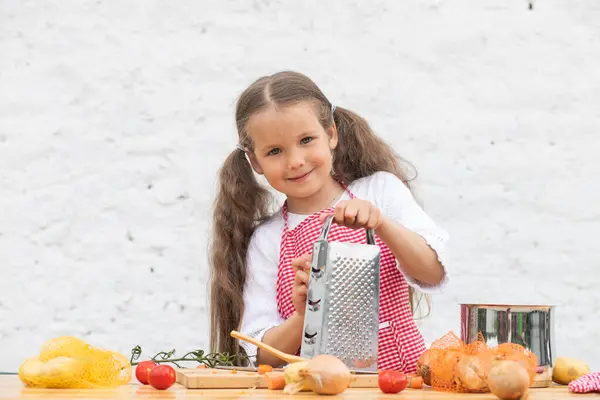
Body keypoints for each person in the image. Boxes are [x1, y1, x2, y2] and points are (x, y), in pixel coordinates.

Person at [209, 71, 449, 373]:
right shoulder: (268, 240)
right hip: (316, 390)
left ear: (331, 134)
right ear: (255, 162)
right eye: (274, 151)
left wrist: (382, 224)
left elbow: (433, 272)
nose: (295, 160)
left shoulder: (380, 190)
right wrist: (303, 315)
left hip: (401, 384)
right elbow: (265, 357)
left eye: (306, 140)